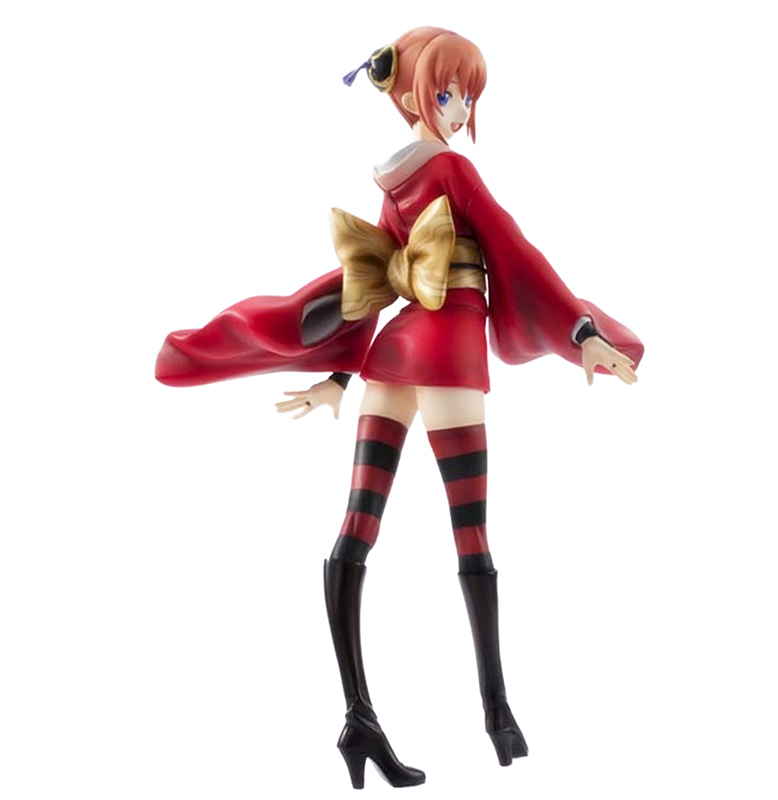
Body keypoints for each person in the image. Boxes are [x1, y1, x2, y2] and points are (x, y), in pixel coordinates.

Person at [155, 26, 643, 789]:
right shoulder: (451, 169)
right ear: (416, 93)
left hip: (393, 355)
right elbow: (513, 250)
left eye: (468, 96)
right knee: (470, 533)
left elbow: (374, 285)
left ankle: (359, 717)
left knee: (358, 525)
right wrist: (580, 331)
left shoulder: (395, 181)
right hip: (447, 353)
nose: (461, 109)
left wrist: (341, 376)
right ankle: (497, 713)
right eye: (450, 93)